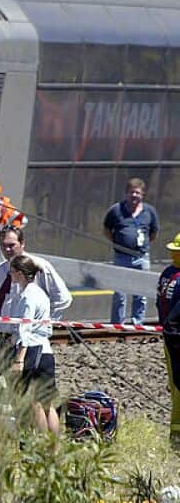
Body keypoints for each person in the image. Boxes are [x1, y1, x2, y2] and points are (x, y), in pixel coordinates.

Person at [0, 226, 72, 347]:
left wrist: (43, 320)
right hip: (5, 338)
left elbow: (62, 298)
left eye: (12, 245)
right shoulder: (0, 271)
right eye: (3, 246)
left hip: (32, 339)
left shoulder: (39, 266)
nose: (7, 250)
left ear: (22, 244)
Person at [6, 255, 60, 433]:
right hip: (46, 350)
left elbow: (24, 329)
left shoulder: (27, 296)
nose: (10, 276)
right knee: (48, 403)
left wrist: (19, 359)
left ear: (20, 274)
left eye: (12, 272)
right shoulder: (41, 294)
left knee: (34, 402)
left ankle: (41, 445)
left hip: (31, 351)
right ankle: (54, 448)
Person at [104, 177, 159, 326]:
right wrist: (119, 243)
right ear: (126, 194)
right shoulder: (116, 210)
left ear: (142, 194)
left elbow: (153, 233)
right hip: (122, 257)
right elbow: (107, 230)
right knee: (120, 294)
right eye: (131, 192)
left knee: (140, 294)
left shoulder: (149, 212)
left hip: (141, 257)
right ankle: (117, 323)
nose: (134, 195)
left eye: (137, 193)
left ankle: (137, 323)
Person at [157, 233, 180, 448]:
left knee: (175, 386)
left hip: (169, 337)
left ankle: (175, 435)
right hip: (177, 338)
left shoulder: (167, 274)